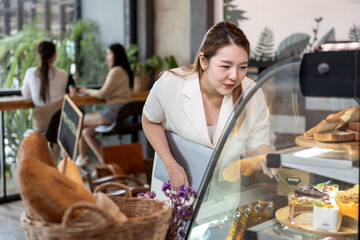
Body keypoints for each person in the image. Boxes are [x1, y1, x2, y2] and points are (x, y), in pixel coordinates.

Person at [142, 21, 274, 200]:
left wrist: (264, 154)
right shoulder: (170, 84)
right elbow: (150, 120)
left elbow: (256, 148)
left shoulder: (252, 94)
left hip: (222, 197)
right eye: (225, 66)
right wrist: (171, 165)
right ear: (204, 61)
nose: (235, 76)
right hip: (176, 187)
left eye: (242, 67)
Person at [76, 43, 133, 167]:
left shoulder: (116, 71)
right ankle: (109, 165)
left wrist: (87, 91)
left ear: (115, 55)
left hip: (115, 111)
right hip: (122, 112)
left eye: (108, 54)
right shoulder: (123, 71)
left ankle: (82, 157)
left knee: (80, 119)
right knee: (86, 132)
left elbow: (102, 93)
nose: (107, 57)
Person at [21, 40, 70, 160]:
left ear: (39, 56)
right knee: (57, 132)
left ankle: (45, 163)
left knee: (44, 134)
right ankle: (56, 162)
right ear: (54, 56)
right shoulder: (63, 75)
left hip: (41, 122)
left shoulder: (30, 73)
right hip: (58, 121)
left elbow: (26, 95)